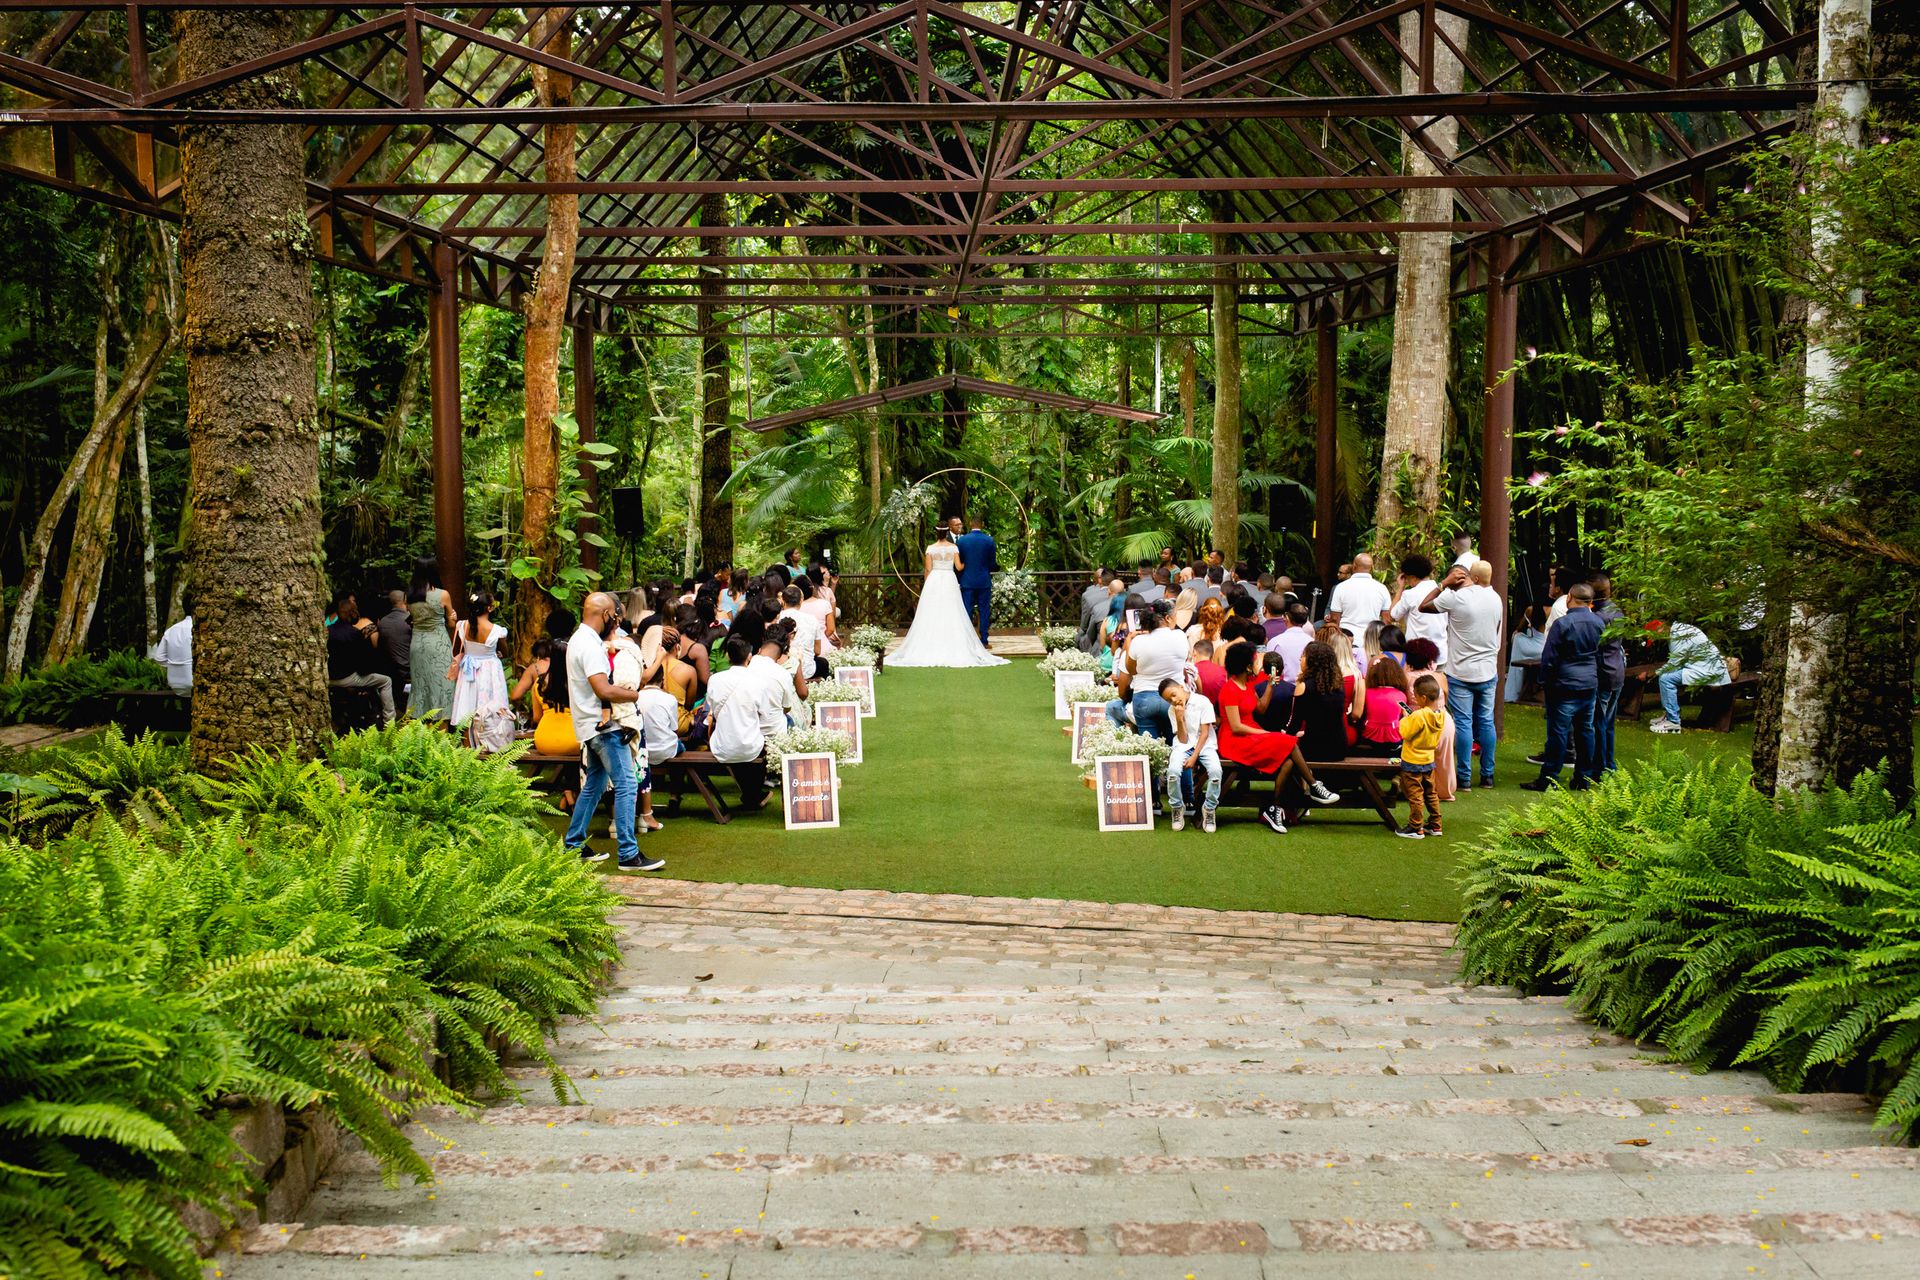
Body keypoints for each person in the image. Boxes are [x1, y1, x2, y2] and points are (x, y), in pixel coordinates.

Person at [564, 592, 663, 871]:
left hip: (588, 725)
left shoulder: (578, 639)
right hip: (603, 727)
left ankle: (574, 845)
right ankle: (629, 854)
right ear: (606, 615)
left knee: (594, 786)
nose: (616, 622)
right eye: (615, 617)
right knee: (627, 784)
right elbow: (603, 689)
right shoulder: (590, 645)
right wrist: (633, 696)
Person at [1215, 642, 1340, 834]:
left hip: (1250, 733)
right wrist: (1265, 733)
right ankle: (1314, 785)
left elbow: (1261, 708)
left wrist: (1271, 685)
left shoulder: (1247, 685)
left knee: (1288, 759)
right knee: (1289, 743)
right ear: (1246, 666)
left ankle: (1275, 807)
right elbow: (1236, 726)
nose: (1258, 665)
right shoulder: (1230, 689)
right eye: (1255, 662)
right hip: (1235, 740)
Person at [1420, 560, 1502, 791]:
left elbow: (1423, 606)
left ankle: (1464, 778)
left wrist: (1444, 583)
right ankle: (1488, 776)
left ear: (1474, 578)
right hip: (1487, 670)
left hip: (1461, 671)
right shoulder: (1495, 598)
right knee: (1486, 722)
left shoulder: (1456, 598)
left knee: (1464, 722)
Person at [889, 527, 1009, 668]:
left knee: (933, 611)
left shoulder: (930, 548)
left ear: (936, 533)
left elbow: (928, 569)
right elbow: (958, 567)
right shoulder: (953, 548)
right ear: (947, 533)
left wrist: (928, 585)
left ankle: (931, 642)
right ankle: (957, 642)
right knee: (952, 610)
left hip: (934, 580)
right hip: (949, 579)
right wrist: (970, 562)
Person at [1522, 583, 1603, 791]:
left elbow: (1550, 657)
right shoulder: (1599, 623)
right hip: (1588, 682)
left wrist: (1543, 680)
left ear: (1570, 598)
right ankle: (1583, 778)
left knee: (1558, 732)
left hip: (1563, 683)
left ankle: (1549, 778)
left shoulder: (1563, 624)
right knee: (1585, 731)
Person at [1110, 600, 1187, 742]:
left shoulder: (1138, 642)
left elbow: (1131, 670)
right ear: (1168, 618)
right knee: (1174, 743)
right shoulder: (1181, 636)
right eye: (1175, 616)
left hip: (1144, 698)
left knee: (1149, 746)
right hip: (1173, 698)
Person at [449, 592, 513, 750]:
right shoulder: (496, 630)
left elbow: (456, 649)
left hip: (468, 671)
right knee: (490, 708)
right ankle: (490, 745)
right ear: (490, 608)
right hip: (489, 671)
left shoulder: (462, 625)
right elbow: (505, 652)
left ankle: (466, 749)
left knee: (466, 707)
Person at [1161, 677, 1221, 834]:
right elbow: (1182, 739)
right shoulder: (1172, 710)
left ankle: (1209, 809)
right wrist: (1180, 718)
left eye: (1174, 694)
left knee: (1215, 772)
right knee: (1173, 772)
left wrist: (1194, 756)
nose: (1173, 700)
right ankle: (1177, 807)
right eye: (1169, 699)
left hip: (1205, 745)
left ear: (1181, 687)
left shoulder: (1202, 701)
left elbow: (1205, 733)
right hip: (1183, 746)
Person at [326, 593, 396, 723]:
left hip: (327, 678)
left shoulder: (326, 631)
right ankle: (389, 722)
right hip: (346, 678)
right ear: (352, 614)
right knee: (386, 681)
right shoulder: (354, 633)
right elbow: (362, 663)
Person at [1651, 620, 1729, 733]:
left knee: (1665, 679)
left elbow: (1675, 663)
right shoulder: (1679, 630)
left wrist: (1654, 673)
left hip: (1707, 670)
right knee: (1666, 676)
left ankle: (1673, 722)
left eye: (1655, 636)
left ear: (1660, 629)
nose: (1657, 640)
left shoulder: (1678, 635)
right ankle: (1668, 715)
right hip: (1706, 667)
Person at [1288, 640, 1361, 761]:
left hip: (1315, 747)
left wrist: (1284, 737)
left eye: (1304, 655)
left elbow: (1295, 723)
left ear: (1313, 661)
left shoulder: (1304, 686)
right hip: (1339, 746)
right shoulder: (1338, 686)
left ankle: (1308, 780)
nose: (1300, 659)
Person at [1403, 638, 1456, 802]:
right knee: (1444, 757)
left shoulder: (1405, 677)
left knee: (1415, 757)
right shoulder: (1439, 677)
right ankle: (1445, 791)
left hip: (1417, 720)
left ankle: (1416, 790)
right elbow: (1446, 697)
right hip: (1441, 718)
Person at [1395, 675, 1447, 839]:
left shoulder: (1418, 716)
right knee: (1431, 793)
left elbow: (1404, 732)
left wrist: (1405, 717)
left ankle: (1416, 827)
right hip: (1428, 760)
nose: (1415, 699)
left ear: (1423, 697)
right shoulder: (1440, 714)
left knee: (1416, 795)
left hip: (1412, 761)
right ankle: (1435, 824)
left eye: (1416, 696)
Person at [406, 558, 458, 720]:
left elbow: (413, 619)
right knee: (442, 684)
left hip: (417, 645)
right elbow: (451, 623)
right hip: (437, 644)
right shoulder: (442, 595)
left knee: (421, 685)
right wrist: (453, 617)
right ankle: (441, 727)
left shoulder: (410, 596)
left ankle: (420, 725)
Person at [1590, 572, 1627, 772]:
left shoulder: (1598, 617)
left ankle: (1601, 766)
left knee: (1599, 723)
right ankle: (1609, 764)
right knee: (1608, 723)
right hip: (1617, 668)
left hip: (1603, 671)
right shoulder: (1617, 611)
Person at [1388, 554, 1448, 669]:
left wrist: (1400, 588)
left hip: (1417, 656)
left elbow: (1392, 616)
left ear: (1413, 577)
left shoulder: (1410, 594)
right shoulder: (1444, 592)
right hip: (1440, 653)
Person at [1354, 656, 1411, 757]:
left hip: (1369, 736)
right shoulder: (1401, 696)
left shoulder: (1367, 693)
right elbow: (1409, 715)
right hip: (1394, 739)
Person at [1326, 552, 1391, 640]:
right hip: (1372, 640)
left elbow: (1334, 619)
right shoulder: (1382, 588)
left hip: (1347, 638)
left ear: (1354, 566)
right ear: (1371, 568)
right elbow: (1386, 620)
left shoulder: (1341, 587)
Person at [955, 515, 998, 647]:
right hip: (983, 581)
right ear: (982, 524)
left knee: (966, 610)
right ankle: (984, 640)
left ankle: (966, 641)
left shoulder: (962, 541)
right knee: (984, 610)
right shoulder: (989, 541)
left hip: (967, 581)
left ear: (970, 524)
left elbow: (958, 563)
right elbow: (992, 563)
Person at [372, 589, 413, 717]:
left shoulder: (383, 622)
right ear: (405, 601)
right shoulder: (409, 621)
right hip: (409, 668)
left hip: (390, 669)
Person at [778, 584, 828, 679]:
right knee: (823, 663)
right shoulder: (812, 619)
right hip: (807, 670)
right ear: (801, 600)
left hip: (782, 668)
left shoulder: (777, 618)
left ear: (783, 601)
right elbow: (817, 651)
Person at [151, 599, 194, 693]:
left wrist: (175, 664)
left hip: (174, 684)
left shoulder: (171, 630)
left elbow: (159, 658)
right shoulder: (197, 630)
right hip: (195, 683)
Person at [1265, 603, 1314, 683]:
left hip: (1280, 688)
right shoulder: (1312, 642)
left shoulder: (1275, 641)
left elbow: (1271, 671)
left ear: (1286, 618)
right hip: (1304, 689)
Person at [1077, 569, 1112, 653]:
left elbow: (1085, 626)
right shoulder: (1125, 597)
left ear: (1099, 580)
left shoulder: (1088, 596)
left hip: (1097, 637)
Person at [1191, 638, 1228, 707]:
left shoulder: (1191, 671)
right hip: (1219, 711)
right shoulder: (1223, 671)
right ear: (1211, 655)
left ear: (1194, 653)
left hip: (1198, 711)